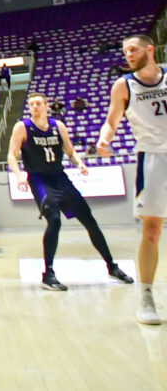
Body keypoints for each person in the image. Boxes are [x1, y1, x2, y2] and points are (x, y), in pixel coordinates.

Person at [8, 93, 132, 291]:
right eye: (31, 104)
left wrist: (79, 163)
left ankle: (112, 266)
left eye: (38, 103)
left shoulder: (58, 126)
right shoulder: (22, 127)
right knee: (54, 220)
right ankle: (48, 274)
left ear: (47, 106)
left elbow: (70, 151)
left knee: (89, 220)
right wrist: (19, 174)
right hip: (39, 179)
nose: (34, 107)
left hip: (60, 177)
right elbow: (11, 156)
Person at [97, 34, 167, 324]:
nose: (128, 54)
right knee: (151, 230)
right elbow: (112, 120)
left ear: (149, 50)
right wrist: (104, 139)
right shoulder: (123, 86)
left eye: (133, 49)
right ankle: (146, 297)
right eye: (125, 51)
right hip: (152, 156)